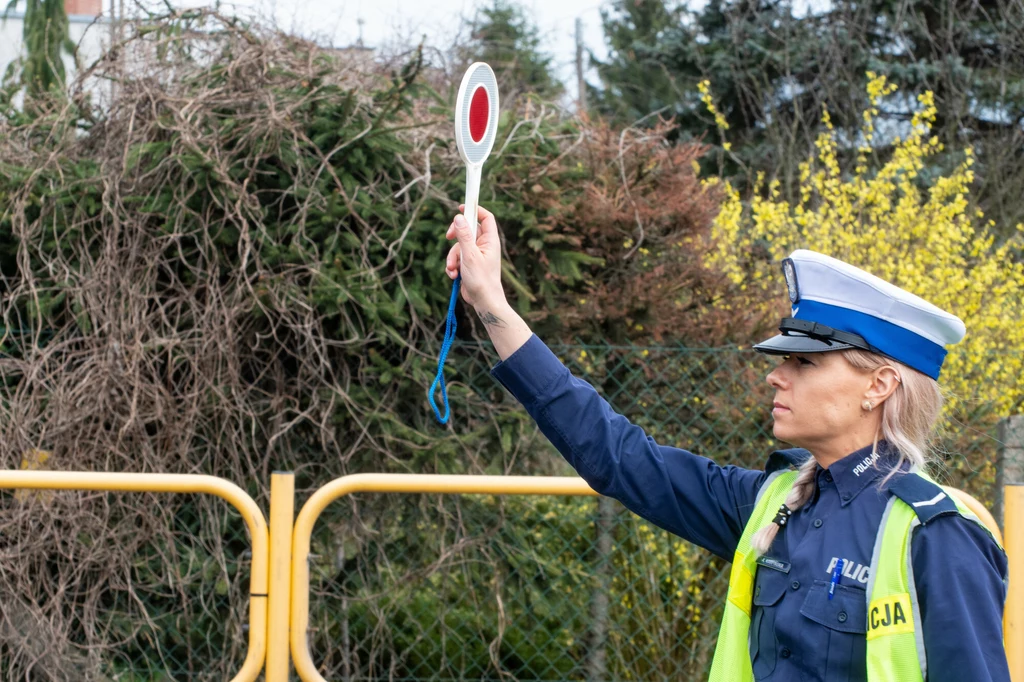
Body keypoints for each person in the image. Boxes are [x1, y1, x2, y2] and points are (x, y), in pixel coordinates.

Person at [443, 205, 1010, 682]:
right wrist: (491, 303)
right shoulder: (774, 501)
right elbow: (618, 456)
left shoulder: (938, 535)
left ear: (879, 386)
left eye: (804, 363)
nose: (775, 376)